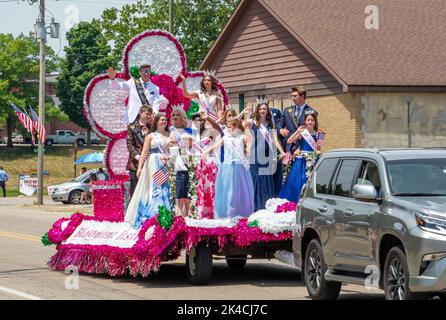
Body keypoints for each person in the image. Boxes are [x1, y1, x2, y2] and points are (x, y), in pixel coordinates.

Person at [125, 113, 175, 228]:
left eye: (165, 120)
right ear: (156, 122)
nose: (164, 122)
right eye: (161, 120)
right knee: (154, 188)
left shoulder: (171, 135)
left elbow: (174, 150)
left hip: (165, 163)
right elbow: (144, 152)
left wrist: (170, 158)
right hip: (153, 163)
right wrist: (139, 167)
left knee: (165, 188)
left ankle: (166, 215)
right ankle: (153, 214)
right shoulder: (151, 136)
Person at [202, 118, 254, 219]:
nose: (228, 129)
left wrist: (248, 148)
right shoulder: (225, 138)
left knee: (239, 191)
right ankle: (227, 213)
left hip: (239, 167)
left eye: (230, 127)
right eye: (227, 127)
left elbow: (249, 141)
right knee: (227, 190)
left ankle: (240, 212)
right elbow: (215, 146)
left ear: (236, 127)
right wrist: (205, 152)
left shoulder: (241, 137)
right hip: (227, 167)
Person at [246, 103, 286, 211]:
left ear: (268, 111)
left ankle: (265, 205)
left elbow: (275, 140)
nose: (262, 111)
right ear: (258, 111)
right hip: (256, 155)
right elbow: (242, 125)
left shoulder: (270, 124)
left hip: (267, 155)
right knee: (256, 180)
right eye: (260, 109)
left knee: (267, 181)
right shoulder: (253, 123)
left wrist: (282, 151)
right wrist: (246, 113)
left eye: (264, 109)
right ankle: (254, 207)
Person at [279, 112, 323, 202]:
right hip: (301, 161)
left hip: (313, 160)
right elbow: (289, 141)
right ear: (305, 121)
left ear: (315, 122)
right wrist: (297, 131)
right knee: (297, 181)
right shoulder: (302, 133)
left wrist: (317, 155)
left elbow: (318, 149)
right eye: (308, 120)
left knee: (311, 182)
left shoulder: (319, 134)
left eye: (312, 120)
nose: (310, 122)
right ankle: (296, 201)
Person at [191, 112, 223, 219]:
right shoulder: (193, 135)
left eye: (200, 120)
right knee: (202, 189)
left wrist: (208, 118)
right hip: (199, 165)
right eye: (195, 120)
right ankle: (203, 213)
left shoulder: (210, 131)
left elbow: (219, 130)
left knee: (213, 188)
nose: (198, 122)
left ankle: (215, 213)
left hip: (211, 163)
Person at [169, 107, 195, 217]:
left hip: (189, 160)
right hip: (177, 162)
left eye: (177, 114)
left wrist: (179, 143)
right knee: (179, 185)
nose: (175, 116)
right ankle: (179, 212)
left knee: (189, 186)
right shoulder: (170, 131)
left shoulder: (189, 130)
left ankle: (190, 212)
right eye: (173, 115)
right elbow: (170, 145)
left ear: (183, 118)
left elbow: (190, 144)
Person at [126, 105, 154, 197]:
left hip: (150, 163)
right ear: (140, 113)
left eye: (150, 114)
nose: (148, 115)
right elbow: (130, 145)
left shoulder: (153, 128)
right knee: (135, 191)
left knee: (148, 191)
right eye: (146, 113)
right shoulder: (132, 127)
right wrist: (139, 157)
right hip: (135, 164)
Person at [279, 86, 318, 153]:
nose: (292, 98)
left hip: (304, 147)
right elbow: (279, 124)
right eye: (291, 96)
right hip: (289, 147)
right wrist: (280, 129)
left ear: (302, 96)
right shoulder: (287, 110)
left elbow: (314, 129)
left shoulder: (311, 111)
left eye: (295, 96)